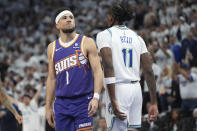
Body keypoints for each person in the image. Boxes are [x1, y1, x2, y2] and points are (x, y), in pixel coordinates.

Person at [96, 3, 158, 131]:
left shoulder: (105, 34)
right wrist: (154, 102)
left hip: (118, 89)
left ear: (111, 17)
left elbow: (108, 65)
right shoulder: (137, 37)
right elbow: (149, 71)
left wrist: (113, 100)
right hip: (136, 90)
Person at [46, 8, 103, 131]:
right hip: (61, 103)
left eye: (71, 17)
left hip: (83, 102)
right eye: (64, 18)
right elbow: (51, 78)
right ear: (57, 24)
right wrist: (48, 107)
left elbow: (98, 71)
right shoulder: (52, 47)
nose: (69, 19)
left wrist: (96, 97)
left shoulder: (86, 42)